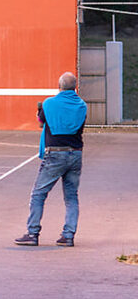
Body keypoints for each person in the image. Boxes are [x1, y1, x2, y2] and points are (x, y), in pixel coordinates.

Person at [14, 71, 87, 247]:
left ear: (59, 86)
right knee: (71, 196)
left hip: (55, 153)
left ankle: (33, 233)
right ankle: (68, 235)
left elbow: (41, 122)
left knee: (39, 194)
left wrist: (39, 112)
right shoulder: (82, 105)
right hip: (75, 153)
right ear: (75, 87)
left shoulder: (49, 103)